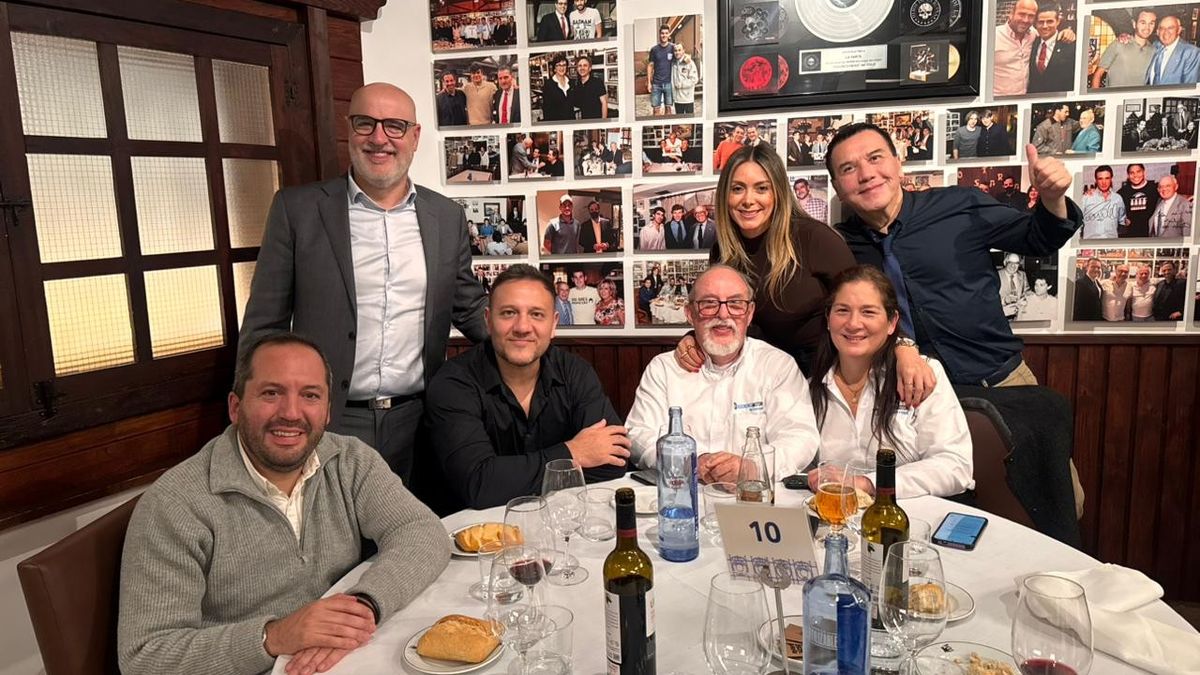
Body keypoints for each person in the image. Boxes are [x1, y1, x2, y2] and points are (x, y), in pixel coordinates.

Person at [118, 333, 450, 675]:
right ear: (235, 407)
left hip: (345, 660)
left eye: (310, 395)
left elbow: (422, 531)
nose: (291, 413)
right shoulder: (176, 503)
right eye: (271, 393)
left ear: (326, 412)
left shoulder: (349, 460)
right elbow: (145, 657)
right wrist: (273, 637)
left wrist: (360, 608)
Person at [239, 83, 487, 483]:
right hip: (326, 420)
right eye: (365, 123)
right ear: (348, 128)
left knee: (412, 537)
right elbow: (263, 325)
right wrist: (254, 412)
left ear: (415, 136)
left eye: (394, 126)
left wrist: (525, 337)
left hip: (419, 422)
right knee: (330, 543)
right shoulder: (298, 210)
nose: (379, 138)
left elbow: (469, 307)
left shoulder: (445, 216)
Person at [827, 122, 1081, 387]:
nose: (866, 174)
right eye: (849, 168)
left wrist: (1053, 199)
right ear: (837, 188)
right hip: (907, 396)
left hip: (1001, 382)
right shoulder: (838, 246)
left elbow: (1038, 239)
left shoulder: (959, 205)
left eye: (875, 158)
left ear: (897, 163)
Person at [674, 143, 922, 389]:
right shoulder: (723, 250)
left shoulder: (814, 239)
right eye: (737, 189)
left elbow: (868, 304)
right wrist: (693, 339)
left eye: (761, 188)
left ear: (779, 193)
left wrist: (904, 346)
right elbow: (721, 313)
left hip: (822, 384)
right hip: (756, 383)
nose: (748, 200)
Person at [422, 265, 628, 511]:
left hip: (558, 524)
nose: (522, 327)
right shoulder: (454, 383)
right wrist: (572, 453)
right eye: (509, 313)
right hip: (477, 538)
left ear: (554, 324)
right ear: (488, 321)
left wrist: (511, 476)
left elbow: (614, 461)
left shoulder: (575, 373)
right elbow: (478, 485)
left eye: (537, 315)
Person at [626, 265, 820, 482]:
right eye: (709, 303)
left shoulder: (777, 366)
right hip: (682, 497)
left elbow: (800, 437)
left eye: (736, 304)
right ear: (690, 313)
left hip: (753, 498)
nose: (723, 313)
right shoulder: (663, 369)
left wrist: (752, 466)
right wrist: (688, 462)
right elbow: (638, 435)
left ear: (750, 313)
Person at [804, 266, 972, 498]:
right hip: (835, 522)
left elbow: (955, 466)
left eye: (868, 312)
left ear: (892, 322)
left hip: (912, 520)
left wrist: (867, 484)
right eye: (842, 310)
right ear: (828, 319)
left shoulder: (922, 375)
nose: (853, 323)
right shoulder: (811, 388)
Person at [1092, 9, 1157, 88]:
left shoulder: (1154, 50)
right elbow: (1097, 75)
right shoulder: (1119, 44)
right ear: (1134, 24)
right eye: (1143, 23)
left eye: (1151, 23)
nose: (1147, 27)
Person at [1027, 3, 1075, 94]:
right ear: (1035, 24)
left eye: (1050, 21)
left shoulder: (1070, 45)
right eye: (1041, 22)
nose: (1045, 26)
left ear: (1058, 21)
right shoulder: (1032, 42)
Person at [993, 0, 1039, 96]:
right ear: (1011, 13)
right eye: (1022, 14)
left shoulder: (1034, 35)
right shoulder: (993, 36)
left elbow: (1051, 37)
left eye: (1031, 16)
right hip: (997, 101)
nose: (1026, 20)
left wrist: (1067, 33)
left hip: (1024, 99)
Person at [1146, 14, 1200, 85]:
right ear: (1158, 32)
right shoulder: (1154, 46)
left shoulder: (1191, 53)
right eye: (1162, 28)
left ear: (1179, 30)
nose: (1166, 32)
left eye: (1170, 28)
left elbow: (1190, 89)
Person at [1081, 165, 1125, 239]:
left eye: (1107, 178)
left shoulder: (1118, 198)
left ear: (1111, 179)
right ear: (1096, 180)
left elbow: (1122, 222)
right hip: (1091, 244)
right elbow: (1078, 223)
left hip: (1112, 244)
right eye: (1100, 179)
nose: (1104, 182)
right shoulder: (1086, 198)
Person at [1117, 162, 1159, 238]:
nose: (1135, 175)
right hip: (1129, 236)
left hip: (1150, 235)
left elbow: (1170, 194)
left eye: (1138, 171)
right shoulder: (1122, 192)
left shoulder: (1154, 188)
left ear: (1143, 172)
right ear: (1128, 175)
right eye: (1132, 173)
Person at [646, 25, 675, 116]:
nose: (664, 35)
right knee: (656, 110)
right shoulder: (654, 49)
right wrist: (649, 83)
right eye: (662, 33)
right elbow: (650, 65)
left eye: (666, 33)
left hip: (669, 83)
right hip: (656, 84)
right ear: (659, 34)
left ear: (669, 34)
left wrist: (687, 58)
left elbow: (681, 55)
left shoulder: (673, 48)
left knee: (669, 110)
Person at [572, 55, 607, 119]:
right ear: (577, 68)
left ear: (590, 68)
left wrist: (603, 122)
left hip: (597, 120)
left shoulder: (597, 82)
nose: (582, 68)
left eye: (585, 65)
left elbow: (604, 103)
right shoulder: (577, 84)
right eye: (580, 66)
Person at [540, 54, 574, 121]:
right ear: (554, 68)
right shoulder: (548, 85)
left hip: (570, 122)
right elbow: (546, 108)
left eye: (564, 65)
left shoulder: (571, 83)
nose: (562, 68)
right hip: (556, 122)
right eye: (558, 65)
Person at [998, 253, 1030, 320]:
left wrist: (1025, 299)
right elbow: (989, 298)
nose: (1013, 266)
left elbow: (1027, 292)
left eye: (1016, 263)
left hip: (1019, 316)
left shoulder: (1022, 275)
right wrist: (1004, 301)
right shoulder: (997, 275)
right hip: (1002, 316)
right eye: (1010, 262)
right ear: (1005, 262)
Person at [671, 43, 700, 115]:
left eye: (679, 50)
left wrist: (681, 84)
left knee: (689, 120)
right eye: (675, 50)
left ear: (683, 51)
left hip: (687, 99)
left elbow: (694, 79)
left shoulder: (689, 63)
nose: (677, 52)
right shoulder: (673, 63)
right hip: (677, 99)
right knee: (679, 119)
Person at [1073, 257, 1104, 321]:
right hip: (1087, 319)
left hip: (1096, 318)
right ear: (1087, 267)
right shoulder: (1080, 283)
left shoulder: (1096, 281)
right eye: (1093, 267)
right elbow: (1078, 306)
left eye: (1098, 267)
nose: (1096, 269)